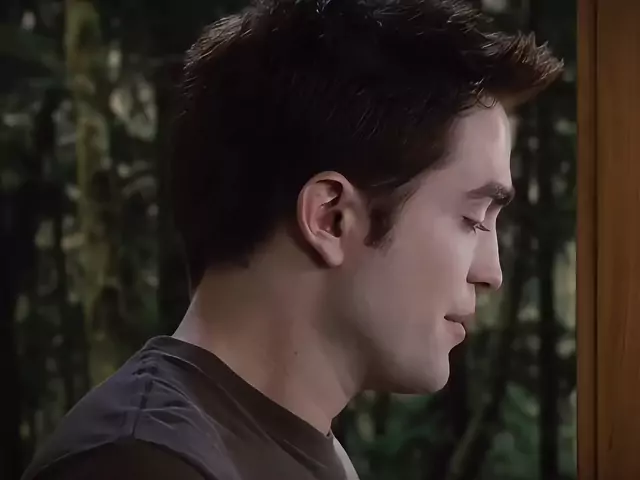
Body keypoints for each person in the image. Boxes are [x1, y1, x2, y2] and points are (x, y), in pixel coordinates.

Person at [21, 0, 562, 479]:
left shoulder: (304, 448)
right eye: (473, 218)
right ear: (330, 218)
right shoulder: (139, 463)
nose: (491, 272)